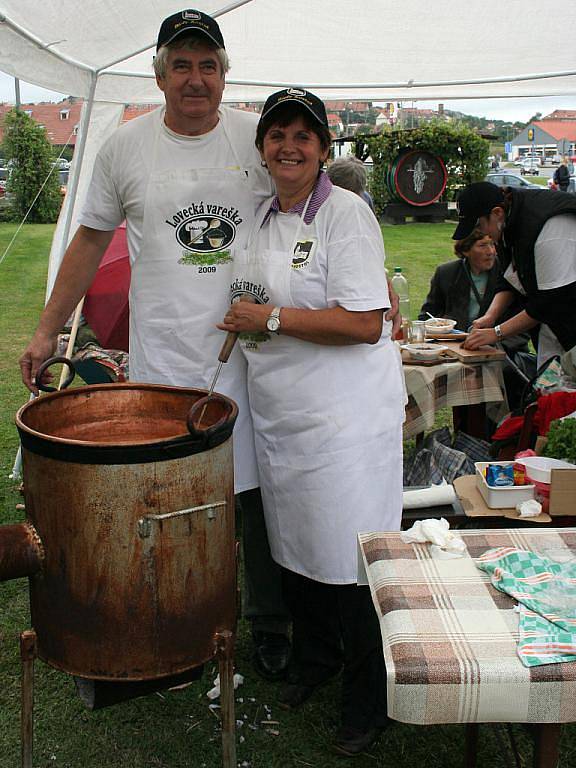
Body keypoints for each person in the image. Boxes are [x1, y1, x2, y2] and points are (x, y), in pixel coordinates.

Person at [18, 9, 292, 681]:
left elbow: (300, 212)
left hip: (253, 354)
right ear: (160, 73)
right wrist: (49, 325)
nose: (194, 79)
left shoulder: (254, 138)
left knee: (256, 496)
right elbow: (89, 239)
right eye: (181, 65)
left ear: (225, 74)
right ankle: (170, 612)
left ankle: (269, 626)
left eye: (207, 65)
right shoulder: (125, 147)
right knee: (166, 492)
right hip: (164, 357)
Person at [218, 88, 405, 756]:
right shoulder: (264, 217)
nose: (289, 147)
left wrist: (267, 318)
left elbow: (364, 322)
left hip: (344, 426)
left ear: (325, 149)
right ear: (263, 148)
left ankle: (370, 699)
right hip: (283, 419)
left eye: (304, 136)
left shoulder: (345, 214)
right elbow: (256, 297)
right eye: (277, 135)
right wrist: (250, 310)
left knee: (351, 561)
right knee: (296, 551)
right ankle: (315, 661)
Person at [453, 182, 576, 367]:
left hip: (565, 317)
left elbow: (550, 303)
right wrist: (490, 317)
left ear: (497, 213)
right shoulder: (508, 226)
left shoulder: (549, 230)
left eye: (479, 225)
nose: (480, 234)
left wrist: (497, 333)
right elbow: (510, 278)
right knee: (551, 391)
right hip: (554, 325)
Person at [418, 228, 535, 408]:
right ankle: (465, 431)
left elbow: (525, 319)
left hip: (502, 349)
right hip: (457, 349)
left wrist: (497, 341)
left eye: (492, 244)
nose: (491, 251)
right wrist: (442, 330)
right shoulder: (447, 273)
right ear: (466, 250)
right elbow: (427, 315)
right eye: (482, 245)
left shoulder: (506, 274)